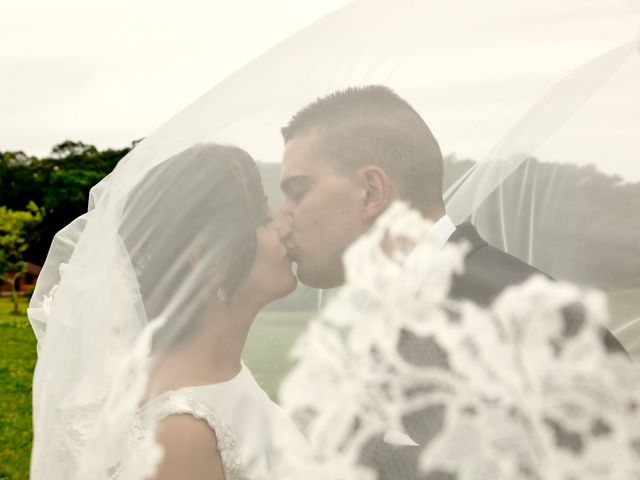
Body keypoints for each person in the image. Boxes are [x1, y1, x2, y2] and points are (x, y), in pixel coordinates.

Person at [29, 143, 304, 480]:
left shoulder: (221, 374)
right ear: (207, 257)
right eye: (263, 217)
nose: (286, 224)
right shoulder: (180, 435)